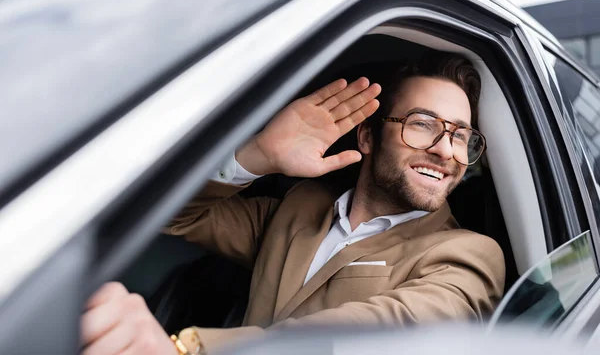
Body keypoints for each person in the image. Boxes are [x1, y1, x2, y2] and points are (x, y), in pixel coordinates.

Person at [80, 52, 505, 355]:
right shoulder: (297, 210)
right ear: (368, 137)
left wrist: (191, 348)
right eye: (423, 124)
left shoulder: (468, 255)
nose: (446, 150)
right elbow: (173, 217)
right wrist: (255, 157)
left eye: (461, 136)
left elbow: (381, 336)